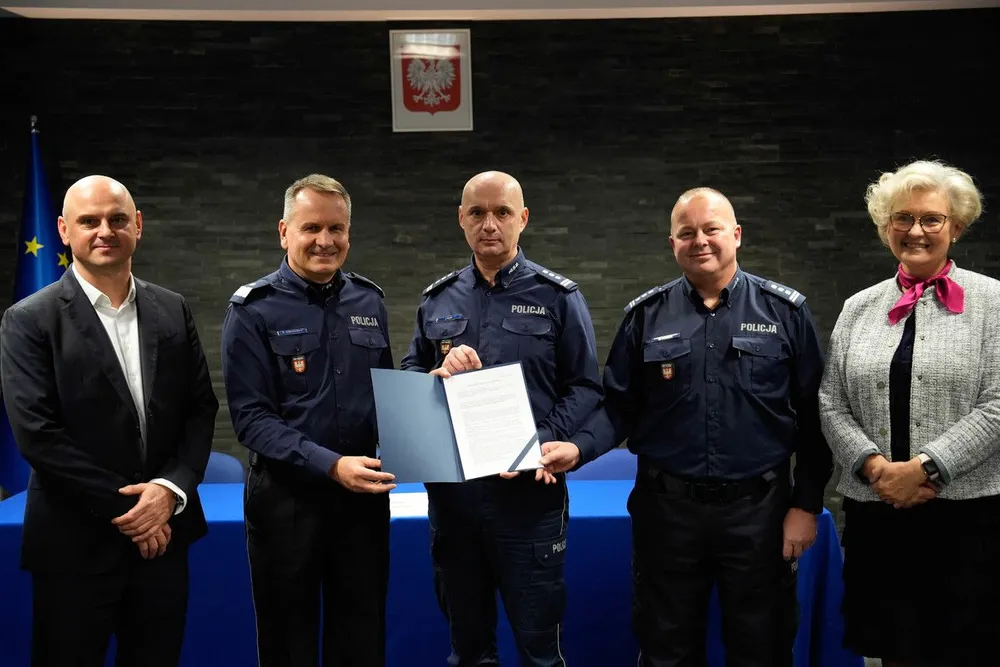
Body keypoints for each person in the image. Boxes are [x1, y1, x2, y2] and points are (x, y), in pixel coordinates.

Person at [541, 187, 833, 667]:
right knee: (666, 650)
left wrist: (806, 504)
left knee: (762, 648)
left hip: (759, 513)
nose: (700, 240)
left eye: (711, 229)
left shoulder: (784, 312)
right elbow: (618, 408)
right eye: (687, 232)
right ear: (672, 243)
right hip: (667, 516)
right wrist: (577, 448)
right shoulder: (645, 316)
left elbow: (815, 415)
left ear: (736, 234)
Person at [0, 175, 218, 667]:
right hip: (74, 545)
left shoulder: (173, 308)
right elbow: (37, 434)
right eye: (89, 221)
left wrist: (169, 491)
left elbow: (200, 408)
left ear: (138, 225)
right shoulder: (28, 319)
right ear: (64, 230)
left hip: (164, 542)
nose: (105, 231)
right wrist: (137, 512)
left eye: (118, 219)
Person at [400, 170, 602, 667]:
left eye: (502, 213)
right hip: (455, 503)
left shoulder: (559, 297)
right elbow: (409, 377)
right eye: (477, 213)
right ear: (461, 219)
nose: (489, 224)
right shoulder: (437, 299)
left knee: (539, 652)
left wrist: (536, 443)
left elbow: (585, 388)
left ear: (523, 218)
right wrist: (435, 374)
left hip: (528, 500)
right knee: (468, 651)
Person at [819, 160, 1000, 667]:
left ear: (955, 227)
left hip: (968, 518)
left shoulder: (994, 302)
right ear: (886, 227)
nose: (915, 230)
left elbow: (998, 404)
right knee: (893, 650)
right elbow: (831, 401)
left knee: (965, 651)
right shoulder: (858, 307)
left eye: (931, 219)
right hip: (877, 514)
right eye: (902, 218)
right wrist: (876, 468)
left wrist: (924, 468)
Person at [221, 174, 395, 667]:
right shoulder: (252, 310)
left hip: (361, 506)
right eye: (311, 227)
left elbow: (384, 396)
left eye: (336, 228)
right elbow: (251, 420)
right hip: (286, 505)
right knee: (287, 646)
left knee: (361, 642)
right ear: (284, 232)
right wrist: (331, 465)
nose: (325, 240)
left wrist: (435, 386)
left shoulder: (369, 301)